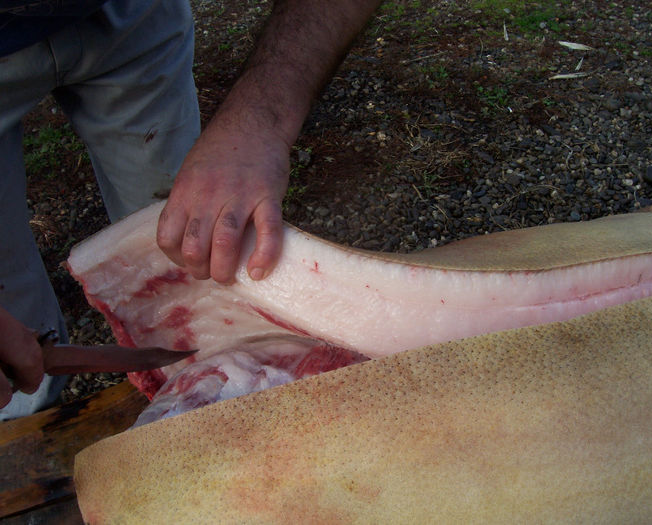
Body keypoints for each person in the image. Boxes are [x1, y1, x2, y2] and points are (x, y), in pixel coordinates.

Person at [0, 0, 382, 419]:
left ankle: (210, 401)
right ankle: (24, 432)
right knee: (11, 324)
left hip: (130, 14)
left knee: (186, 250)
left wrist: (257, 122)